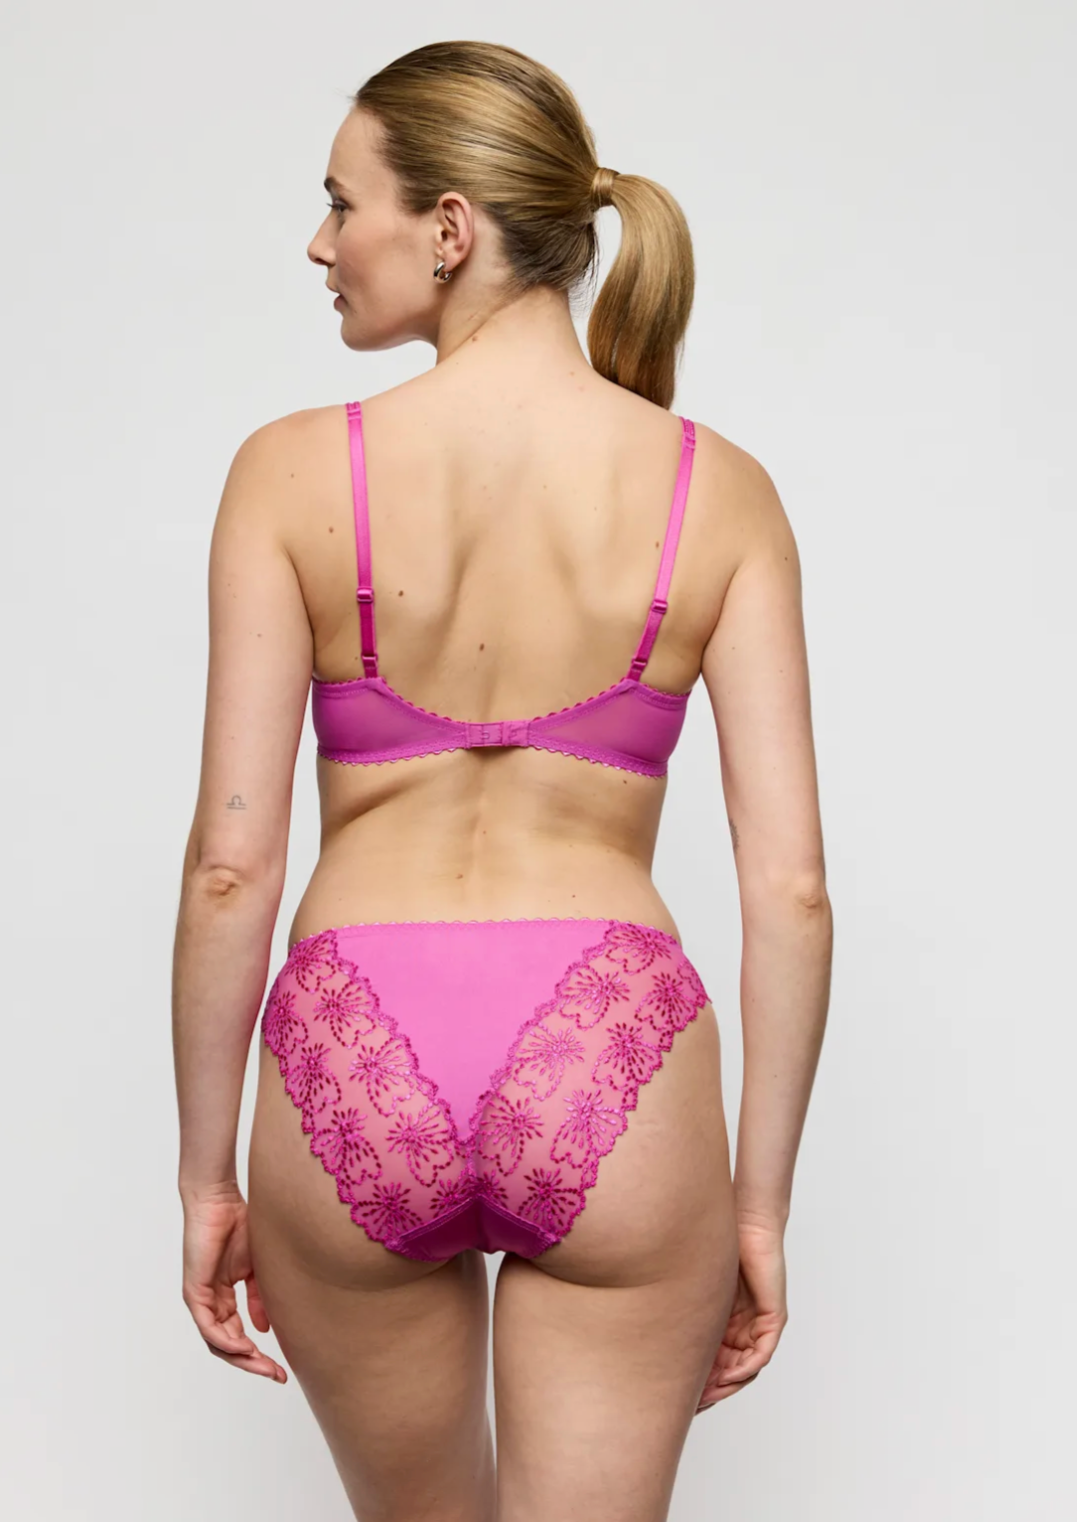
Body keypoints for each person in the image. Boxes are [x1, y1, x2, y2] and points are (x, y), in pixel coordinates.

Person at [171, 38, 832, 1522]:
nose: (321, 243)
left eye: (343, 202)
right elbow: (789, 887)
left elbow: (229, 868)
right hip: (609, 1047)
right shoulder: (718, 491)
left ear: (451, 228)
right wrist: (758, 1205)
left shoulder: (287, 473)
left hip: (354, 1037)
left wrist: (207, 1175)